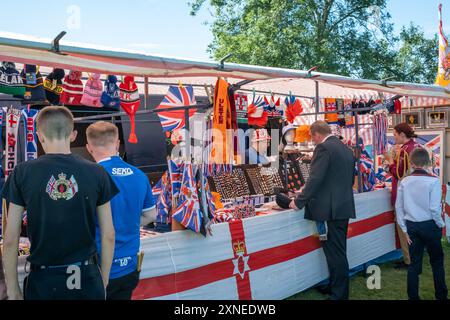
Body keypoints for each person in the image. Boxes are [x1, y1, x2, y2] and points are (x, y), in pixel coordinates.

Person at [1, 106, 118, 300]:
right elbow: (109, 235)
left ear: (39, 136)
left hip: (43, 281)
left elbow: (11, 237)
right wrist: (103, 279)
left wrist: (13, 290)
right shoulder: (97, 172)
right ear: (73, 135)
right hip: (87, 278)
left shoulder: (22, 173)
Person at [86, 121, 156, 300]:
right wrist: (129, 223)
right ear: (117, 144)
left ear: (88, 147)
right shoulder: (139, 175)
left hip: (99, 267)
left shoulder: (89, 176)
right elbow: (151, 215)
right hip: (130, 266)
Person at [289, 121, 356, 300]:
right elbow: (348, 180)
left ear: (316, 134)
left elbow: (316, 178)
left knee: (335, 254)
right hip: (342, 206)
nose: (312, 140)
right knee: (338, 252)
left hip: (329, 210)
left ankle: (339, 294)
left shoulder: (324, 148)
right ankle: (336, 287)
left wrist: (299, 201)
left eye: (312, 137)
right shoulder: (345, 149)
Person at [395, 148, 447, 300]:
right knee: (437, 262)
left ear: (411, 163)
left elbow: (399, 207)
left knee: (414, 264)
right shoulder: (433, 181)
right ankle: (441, 296)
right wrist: (441, 224)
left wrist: (404, 229)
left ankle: (413, 297)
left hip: (412, 226)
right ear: (428, 163)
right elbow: (434, 208)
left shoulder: (404, 181)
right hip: (430, 225)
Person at [384, 122, 421, 269]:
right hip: (415, 192)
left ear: (402, 135)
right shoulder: (417, 147)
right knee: (412, 225)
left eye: (394, 134)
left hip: (403, 192)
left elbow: (399, 174)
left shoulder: (405, 150)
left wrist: (390, 160)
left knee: (402, 225)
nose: (394, 137)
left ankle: (408, 260)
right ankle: (413, 256)